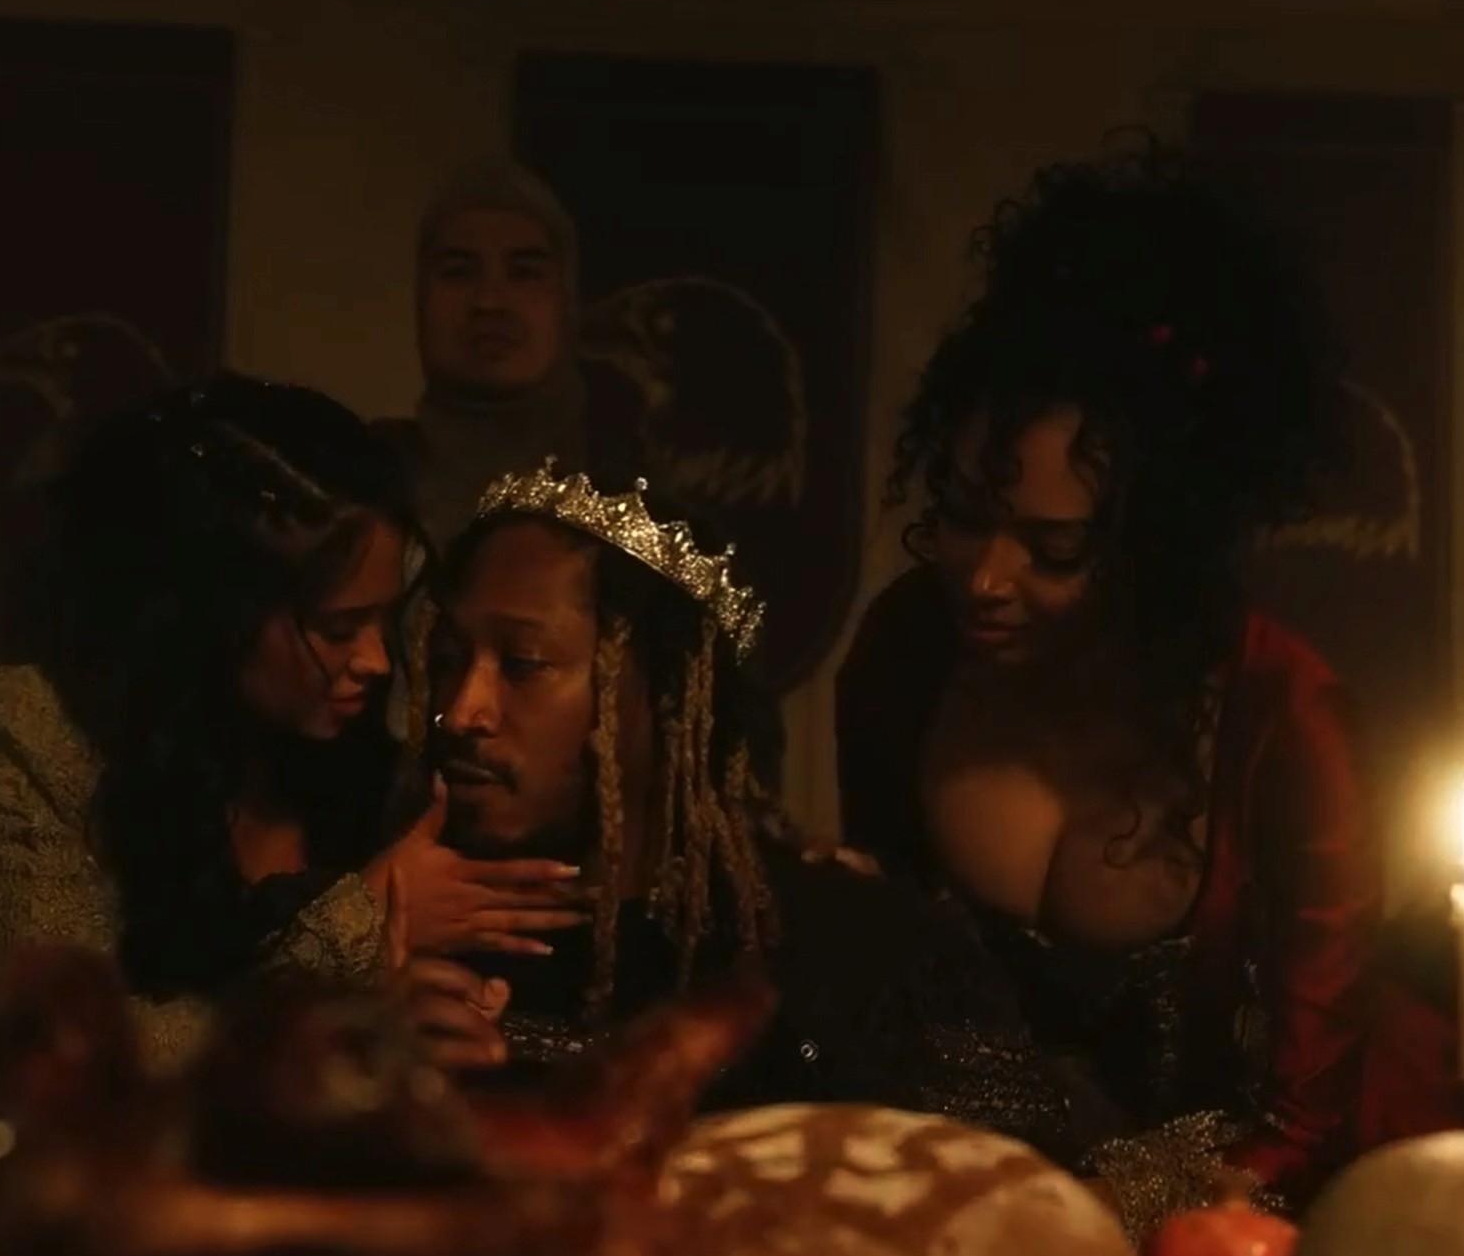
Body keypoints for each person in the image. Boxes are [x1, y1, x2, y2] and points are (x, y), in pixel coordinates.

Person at [0, 377, 583, 1256]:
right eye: (337, 627)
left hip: (236, 1222)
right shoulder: (21, 732)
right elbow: (72, 1070)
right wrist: (359, 929)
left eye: (385, 623)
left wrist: (440, 1020)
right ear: (217, 610)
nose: (374, 662)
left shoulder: (362, 764)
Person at [832, 141, 1454, 1223]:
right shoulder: (904, 652)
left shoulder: (1281, 714)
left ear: (1158, 540)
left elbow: (1299, 1126)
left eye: (1054, 548)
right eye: (963, 518)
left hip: (1253, 1213)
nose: (987, 577)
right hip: (984, 1200)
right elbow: (895, 998)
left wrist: (1108, 1213)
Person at [402, 462, 1069, 1144]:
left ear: (666, 692)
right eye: (447, 660)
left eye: (523, 664)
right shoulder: (399, 933)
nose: (461, 711)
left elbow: (1041, 1183)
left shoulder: (850, 952)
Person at [380, 158, 599, 550]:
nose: (489, 302)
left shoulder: (639, 498)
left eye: (524, 273)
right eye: (458, 272)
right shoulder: (359, 490)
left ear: (567, 302)